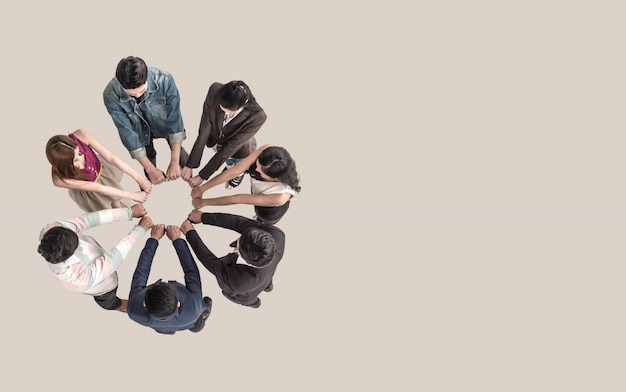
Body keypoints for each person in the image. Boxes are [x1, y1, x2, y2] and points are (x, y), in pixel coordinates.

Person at [37, 204, 151, 312]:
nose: (76, 233)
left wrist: (128, 212)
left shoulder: (52, 229)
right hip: (103, 287)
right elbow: (114, 258)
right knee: (108, 302)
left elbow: (89, 219)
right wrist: (139, 230)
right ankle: (120, 306)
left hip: (95, 258)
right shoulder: (79, 277)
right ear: (69, 257)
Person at [103, 55, 189, 185]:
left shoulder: (165, 80)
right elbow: (127, 132)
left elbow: (174, 116)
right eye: (131, 94)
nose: (138, 95)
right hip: (139, 132)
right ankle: (150, 170)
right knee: (149, 167)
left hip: (165, 125)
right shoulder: (110, 95)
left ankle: (178, 155)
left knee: (183, 159)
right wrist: (151, 169)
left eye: (141, 91)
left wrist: (174, 161)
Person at [182, 210, 285, 308]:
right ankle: (268, 286)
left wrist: (190, 233)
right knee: (267, 276)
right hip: (268, 271)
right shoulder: (277, 235)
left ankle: (255, 303)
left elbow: (209, 261)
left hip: (246, 295)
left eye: (238, 243)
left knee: (246, 298)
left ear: (247, 261)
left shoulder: (238, 282)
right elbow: (238, 223)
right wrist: (204, 217)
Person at [127, 224, 212, 335]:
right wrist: (177, 240)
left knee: (166, 327)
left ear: (144, 304)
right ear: (178, 304)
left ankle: (168, 330)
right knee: (199, 316)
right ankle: (196, 321)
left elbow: (141, 272)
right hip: (189, 319)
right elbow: (191, 272)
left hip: (157, 325)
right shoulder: (194, 307)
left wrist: (154, 239)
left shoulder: (133, 310)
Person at [182, 80, 267, 189]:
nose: (225, 113)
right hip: (217, 139)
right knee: (226, 160)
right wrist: (190, 164)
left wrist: (203, 176)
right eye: (222, 108)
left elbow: (230, 147)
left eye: (230, 111)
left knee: (235, 163)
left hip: (239, 148)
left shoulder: (258, 116)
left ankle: (238, 173)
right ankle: (230, 167)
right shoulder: (215, 90)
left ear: (245, 102)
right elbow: (204, 128)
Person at [45, 128, 152, 212]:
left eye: (80, 152)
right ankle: (118, 207)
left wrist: (139, 178)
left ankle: (118, 201)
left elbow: (111, 158)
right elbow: (99, 188)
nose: (81, 159)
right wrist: (132, 195)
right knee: (107, 204)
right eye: (76, 160)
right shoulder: (60, 180)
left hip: (101, 169)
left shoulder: (81, 135)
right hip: (91, 188)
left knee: (114, 188)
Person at [191, 145, 301, 225]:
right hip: (260, 192)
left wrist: (203, 202)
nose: (256, 169)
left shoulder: (280, 197)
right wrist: (202, 188)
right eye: (257, 164)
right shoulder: (268, 151)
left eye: (261, 172)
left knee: (263, 218)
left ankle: (267, 223)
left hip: (270, 211)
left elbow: (236, 198)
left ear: (275, 178)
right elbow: (233, 172)